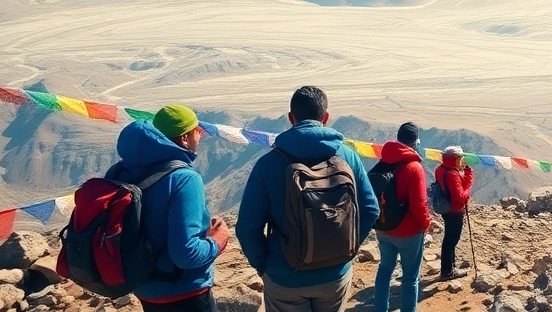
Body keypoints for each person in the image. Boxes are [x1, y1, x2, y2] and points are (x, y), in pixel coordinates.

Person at [236, 87, 380, 312]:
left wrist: (263, 267)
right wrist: (346, 249)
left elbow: (247, 228)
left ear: (291, 118)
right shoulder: (348, 156)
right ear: (325, 117)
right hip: (335, 274)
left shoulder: (268, 164)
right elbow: (371, 210)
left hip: (285, 278)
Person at [112, 105, 229, 312]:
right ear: (184, 138)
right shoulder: (184, 178)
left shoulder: (120, 171)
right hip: (183, 292)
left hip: (142, 286)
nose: (200, 134)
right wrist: (217, 242)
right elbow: (186, 254)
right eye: (197, 130)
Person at [372, 122, 432, 312]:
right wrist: (425, 225)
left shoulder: (384, 161)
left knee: (384, 270)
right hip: (409, 232)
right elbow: (419, 204)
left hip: (383, 226)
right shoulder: (414, 167)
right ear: (415, 142)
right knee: (410, 278)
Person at [433, 146, 474, 280]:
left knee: (448, 239)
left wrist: (467, 172)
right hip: (455, 211)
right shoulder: (452, 174)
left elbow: (461, 185)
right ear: (456, 159)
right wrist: (468, 191)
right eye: (460, 158)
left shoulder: (441, 169)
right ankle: (448, 272)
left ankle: (450, 267)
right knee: (451, 241)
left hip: (446, 208)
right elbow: (461, 196)